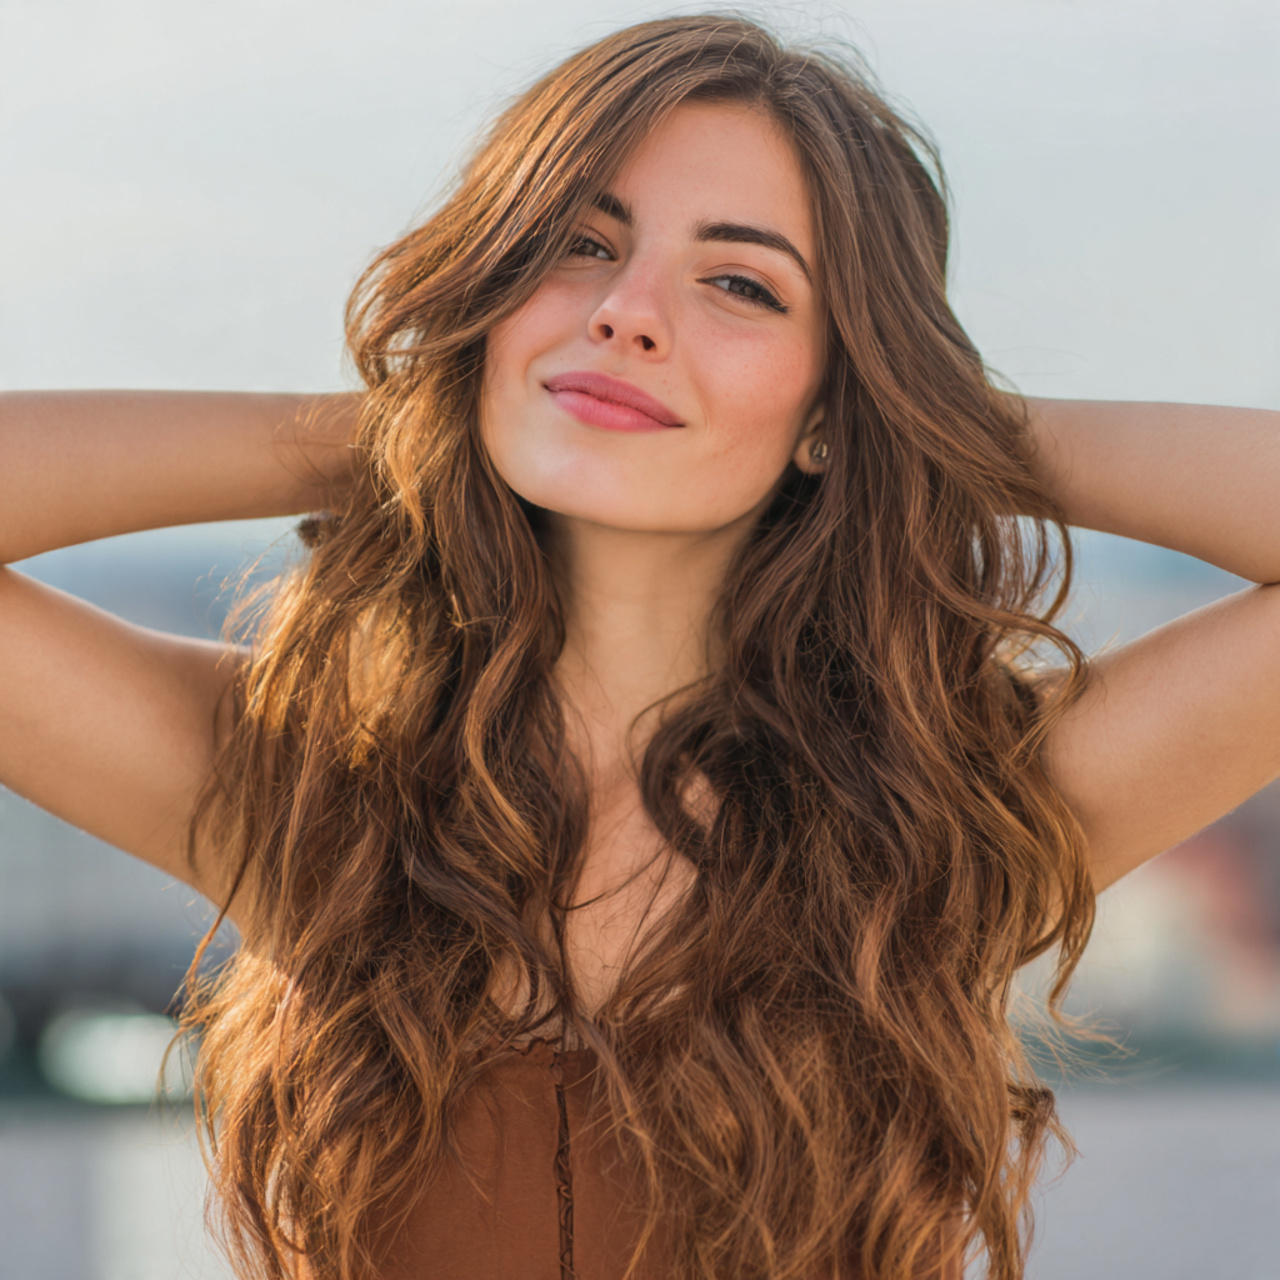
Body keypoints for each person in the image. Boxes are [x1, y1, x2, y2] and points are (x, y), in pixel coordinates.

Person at [1, 13, 1277, 1280]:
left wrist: (926, 426)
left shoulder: (950, 805)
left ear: (837, 392)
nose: (624, 312)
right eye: (574, 246)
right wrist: (418, 421)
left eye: (738, 283)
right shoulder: (305, 774)